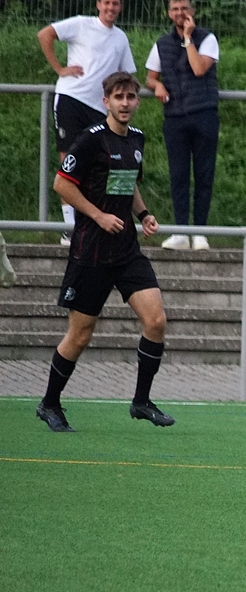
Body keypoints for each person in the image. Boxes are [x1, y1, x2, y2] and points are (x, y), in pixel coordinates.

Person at [35, 72, 174, 433]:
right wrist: (98, 215)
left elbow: (129, 185)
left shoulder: (137, 139)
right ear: (106, 101)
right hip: (91, 251)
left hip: (126, 250)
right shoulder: (90, 140)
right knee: (80, 334)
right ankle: (49, 403)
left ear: (137, 102)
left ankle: (141, 402)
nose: (125, 103)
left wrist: (143, 214)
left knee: (156, 321)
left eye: (131, 97)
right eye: (118, 97)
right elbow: (61, 184)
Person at [37, 0, 137, 247]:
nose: (110, 8)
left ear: (120, 7)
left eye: (115, 4)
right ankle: (69, 228)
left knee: (99, 165)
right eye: (107, 3)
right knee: (69, 160)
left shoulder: (120, 38)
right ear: (98, 4)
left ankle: (97, 222)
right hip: (71, 100)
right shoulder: (81, 24)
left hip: (100, 109)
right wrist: (60, 68)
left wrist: (124, 102)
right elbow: (45, 34)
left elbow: (126, 75)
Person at [144, 0, 220, 251]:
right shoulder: (162, 44)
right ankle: (180, 232)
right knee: (178, 176)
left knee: (204, 175)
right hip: (175, 117)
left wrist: (188, 39)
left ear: (192, 11)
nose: (180, 13)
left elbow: (199, 68)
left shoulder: (207, 38)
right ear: (169, 13)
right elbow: (150, 76)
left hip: (204, 113)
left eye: (184, 8)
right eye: (175, 9)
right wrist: (156, 86)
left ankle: (199, 232)